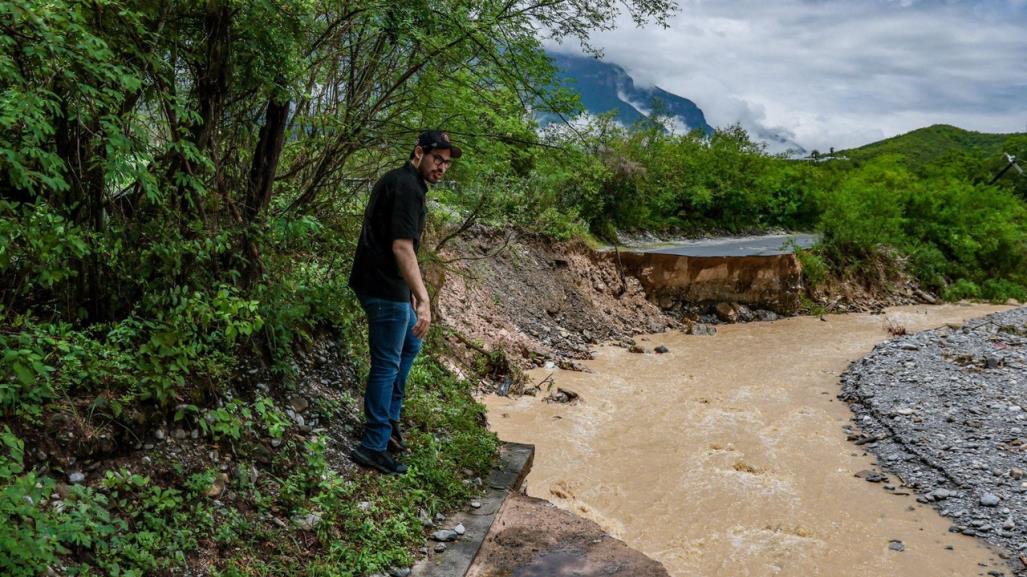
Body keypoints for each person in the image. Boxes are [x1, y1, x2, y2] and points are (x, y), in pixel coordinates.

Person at [347, 130, 461, 474]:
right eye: (436, 159)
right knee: (386, 363)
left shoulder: (404, 183)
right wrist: (423, 299)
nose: (441, 167)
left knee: (411, 343)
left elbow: (399, 245)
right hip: (382, 287)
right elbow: (401, 246)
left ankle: (390, 421)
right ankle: (373, 444)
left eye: (446, 162)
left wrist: (412, 289)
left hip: (388, 283)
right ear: (418, 153)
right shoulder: (407, 187)